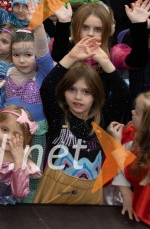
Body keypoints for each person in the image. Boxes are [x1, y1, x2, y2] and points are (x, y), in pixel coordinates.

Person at [35, 39, 129, 204]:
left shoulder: (101, 120)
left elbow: (123, 94)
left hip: (88, 193)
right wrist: (70, 57)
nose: (78, 97)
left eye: (86, 92)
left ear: (96, 96)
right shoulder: (58, 115)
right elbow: (47, 87)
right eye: (72, 90)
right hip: (54, 189)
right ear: (63, 92)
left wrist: (105, 62)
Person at [0, 70, 41, 203]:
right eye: (4, 129)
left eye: (16, 135)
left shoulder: (23, 162)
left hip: (3, 211)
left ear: (26, 139)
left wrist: (19, 161)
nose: (8, 137)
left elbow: (20, 193)